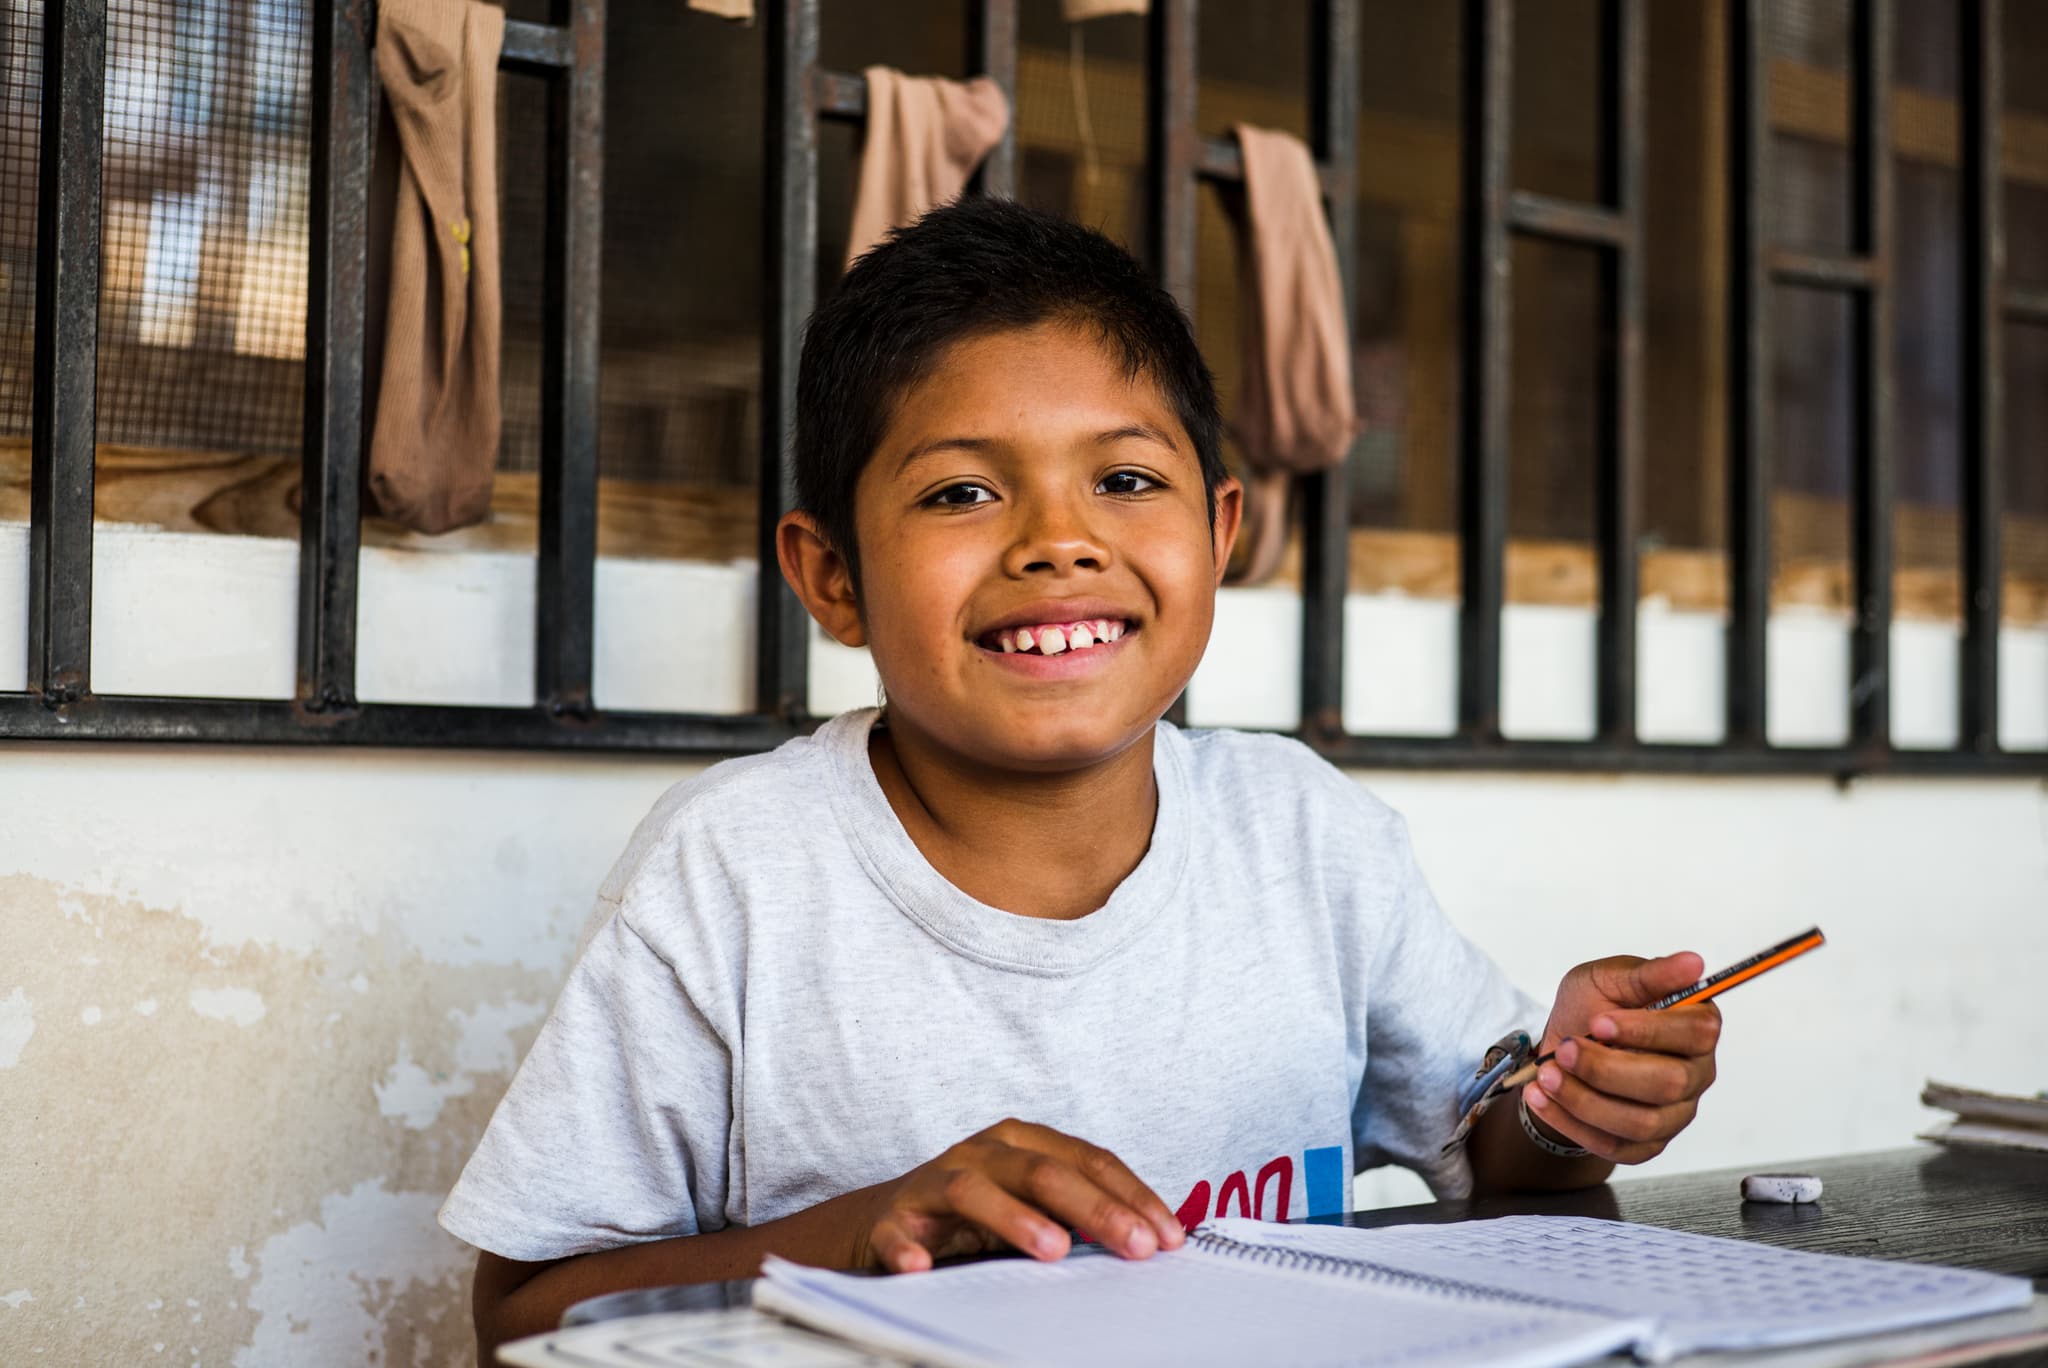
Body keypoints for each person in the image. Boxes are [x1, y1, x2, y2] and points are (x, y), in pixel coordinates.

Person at [443, 197, 1722, 1357]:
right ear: (831, 577)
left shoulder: (1302, 835)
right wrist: (866, 1233)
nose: (1059, 541)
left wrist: (1571, 1105)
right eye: (959, 491)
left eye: (1122, 479)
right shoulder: (736, 870)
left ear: (1219, 533)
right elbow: (521, 1314)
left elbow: (1493, 1156)